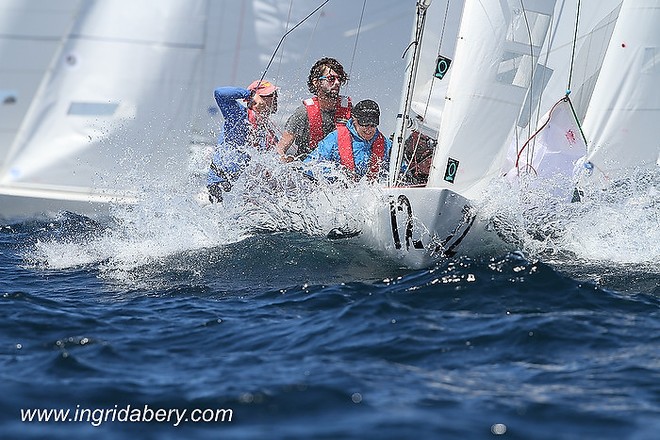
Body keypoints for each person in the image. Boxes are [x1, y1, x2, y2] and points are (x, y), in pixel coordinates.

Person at [207, 79, 280, 203]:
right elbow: (219, 93)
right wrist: (249, 95)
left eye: (275, 95)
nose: (275, 98)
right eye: (269, 95)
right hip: (219, 184)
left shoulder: (269, 134)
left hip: (240, 190)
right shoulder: (238, 115)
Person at [276, 57, 352, 162]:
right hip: (309, 169)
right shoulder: (303, 113)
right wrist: (283, 159)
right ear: (316, 82)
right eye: (331, 79)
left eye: (339, 79)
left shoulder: (349, 111)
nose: (337, 83)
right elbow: (280, 148)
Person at [303, 99, 391, 181]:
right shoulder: (334, 139)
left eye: (373, 125)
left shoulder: (386, 144)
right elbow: (309, 166)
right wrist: (337, 175)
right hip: (341, 192)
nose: (369, 129)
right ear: (354, 120)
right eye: (364, 124)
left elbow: (401, 168)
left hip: (372, 193)